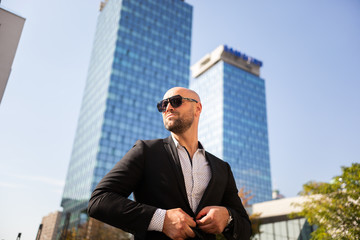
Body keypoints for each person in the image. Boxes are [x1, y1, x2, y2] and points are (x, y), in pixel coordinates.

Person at [88, 87, 251, 240]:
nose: (168, 108)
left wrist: (228, 217)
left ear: (198, 108)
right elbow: (99, 200)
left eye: (176, 101)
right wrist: (161, 220)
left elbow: (245, 228)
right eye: (163, 104)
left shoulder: (222, 168)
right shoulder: (146, 151)